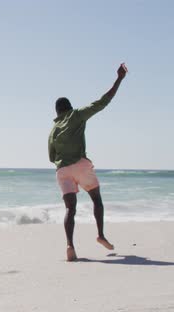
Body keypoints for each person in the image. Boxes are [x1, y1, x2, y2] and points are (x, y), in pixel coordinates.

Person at [48, 63, 128, 261]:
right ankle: (100, 234)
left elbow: (51, 157)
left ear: (57, 112)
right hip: (80, 166)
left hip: (62, 171)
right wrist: (118, 79)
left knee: (70, 209)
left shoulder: (53, 131)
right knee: (96, 199)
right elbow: (102, 102)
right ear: (69, 107)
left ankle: (70, 246)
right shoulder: (77, 115)